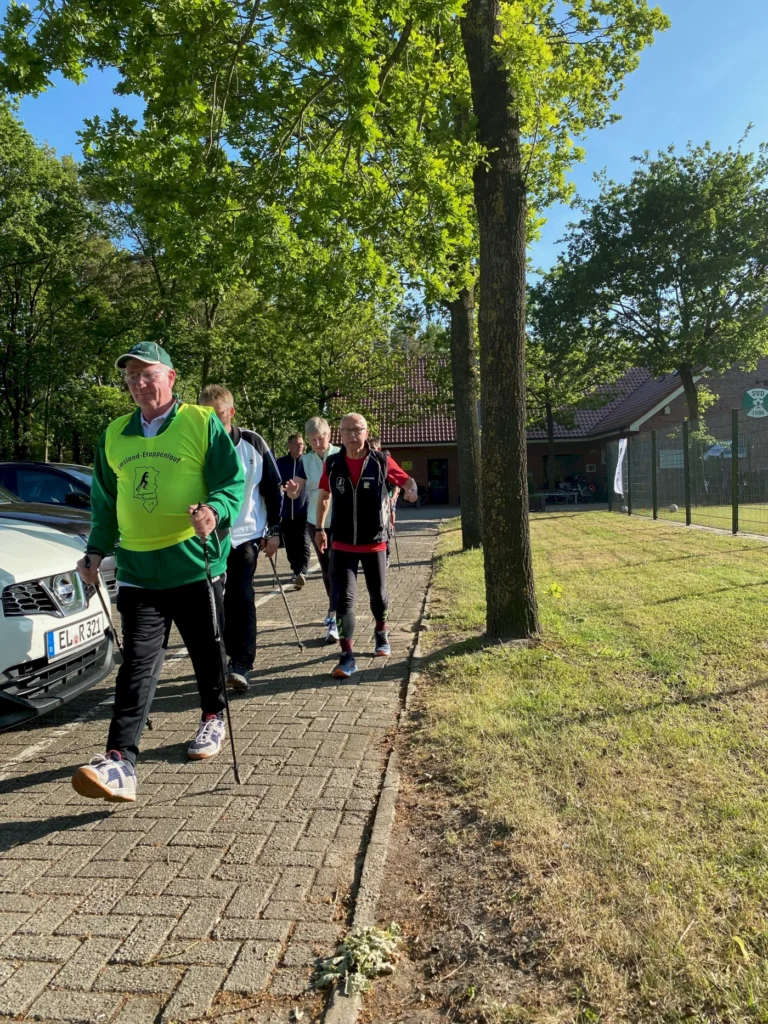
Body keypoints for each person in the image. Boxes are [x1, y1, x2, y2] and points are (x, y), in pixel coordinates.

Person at [72, 342, 245, 804]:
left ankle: (213, 716)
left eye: (147, 374)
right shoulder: (113, 434)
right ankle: (120, 761)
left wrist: (215, 510)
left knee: (207, 651)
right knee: (138, 665)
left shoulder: (201, 421)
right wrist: (95, 551)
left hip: (194, 561)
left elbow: (231, 483)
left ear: (171, 377)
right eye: (130, 377)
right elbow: (105, 505)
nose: (138, 383)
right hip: (138, 569)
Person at [316, 413, 417, 679]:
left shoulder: (381, 461)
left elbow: (407, 480)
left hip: (374, 543)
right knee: (343, 600)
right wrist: (319, 529)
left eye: (357, 430)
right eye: (347, 430)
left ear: (366, 431)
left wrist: (411, 490)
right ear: (340, 434)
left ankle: (381, 632)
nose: (352, 435)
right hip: (343, 542)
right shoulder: (333, 463)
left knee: (378, 596)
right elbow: (325, 496)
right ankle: (347, 656)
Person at [199, 385, 282, 692]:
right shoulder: (194, 443)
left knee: (241, 595)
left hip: (246, 535)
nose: (211, 421)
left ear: (230, 412)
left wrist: (274, 531)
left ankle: (242, 663)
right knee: (211, 602)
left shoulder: (252, 443)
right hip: (209, 537)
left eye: (217, 414)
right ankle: (219, 660)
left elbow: (272, 488)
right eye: (204, 415)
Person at [283, 416, 340, 643]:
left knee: (340, 570)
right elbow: (296, 491)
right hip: (315, 523)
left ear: (329, 435)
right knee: (327, 570)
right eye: (312, 439)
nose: (317, 442)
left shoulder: (340, 455)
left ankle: (338, 614)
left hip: (340, 520)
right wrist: (292, 490)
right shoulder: (305, 461)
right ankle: (334, 616)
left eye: (320, 437)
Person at [276, 434, 311, 589]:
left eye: (302, 444)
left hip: (304, 509)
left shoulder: (308, 462)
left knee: (303, 541)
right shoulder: (280, 463)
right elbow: (275, 482)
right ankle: (296, 572)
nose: (300, 447)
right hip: (285, 511)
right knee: (290, 545)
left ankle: (302, 572)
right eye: (296, 444)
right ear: (289, 445)